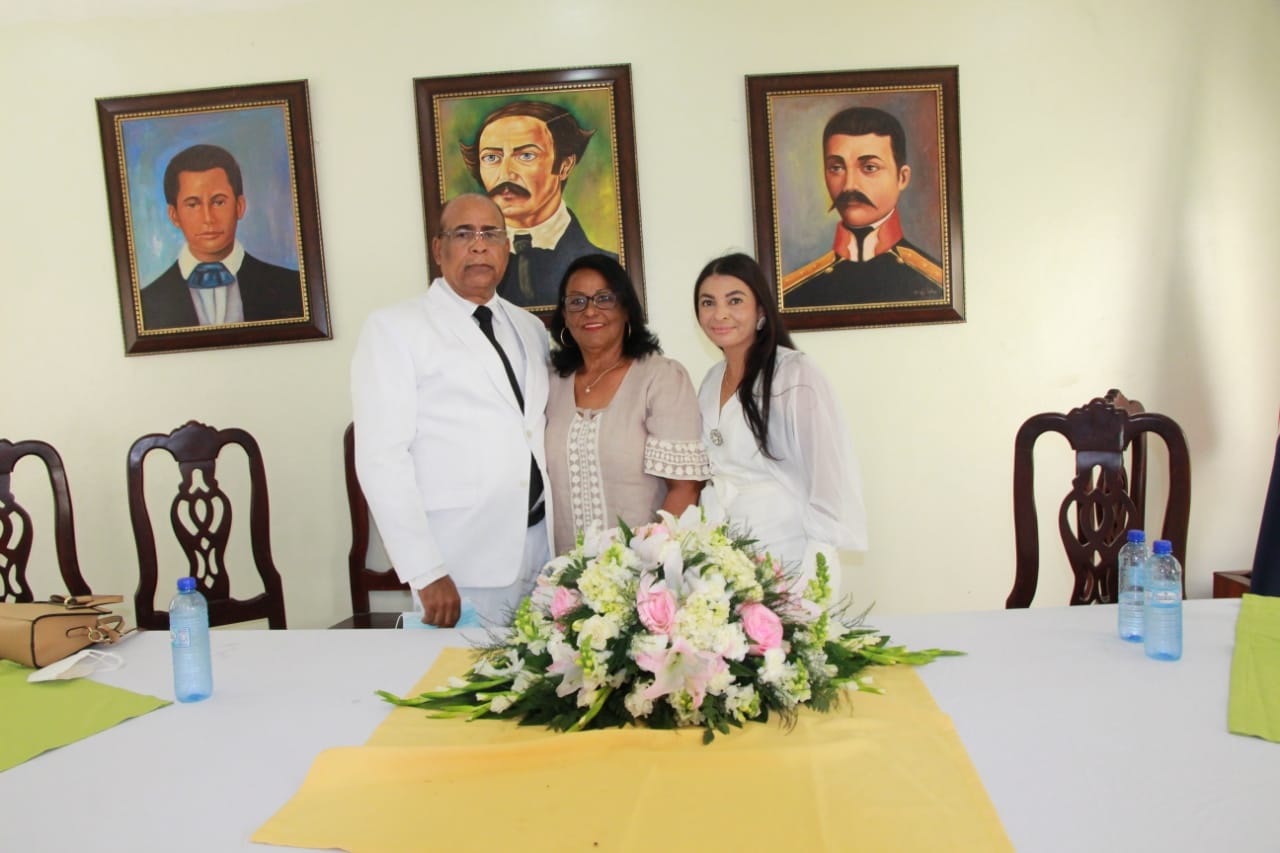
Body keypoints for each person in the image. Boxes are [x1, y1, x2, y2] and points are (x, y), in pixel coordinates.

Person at [351, 193, 552, 627]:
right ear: (438, 248)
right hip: (458, 561)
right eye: (463, 234)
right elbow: (382, 459)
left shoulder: (531, 328)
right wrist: (424, 570)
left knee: (544, 670)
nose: (479, 245)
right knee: (462, 672)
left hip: (541, 550)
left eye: (490, 234)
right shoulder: (395, 329)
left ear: (507, 247)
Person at [694, 252, 867, 595]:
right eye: (708, 302)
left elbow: (828, 475)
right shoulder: (711, 379)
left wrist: (816, 559)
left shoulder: (794, 373)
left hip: (789, 547)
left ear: (761, 310)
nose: (720, 314)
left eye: (735, 301)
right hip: (725, 550)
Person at [546, 254, 708, 555]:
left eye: (604, 298)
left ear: (626, 309)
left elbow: (685, 488)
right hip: (563, 571)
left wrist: (648, 566)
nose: (590, 311)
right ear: (565, 316)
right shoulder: (549, 382)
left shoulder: (661, 378)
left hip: (641, 569)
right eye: (577, 301)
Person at [782, 106, 945, 308]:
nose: (849, 185)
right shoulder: (793, 293)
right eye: (836, 168)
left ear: (902, 178)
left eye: (869, 167)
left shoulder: (938, 283)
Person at [459, 101, 617, 308]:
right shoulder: (461, 276)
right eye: (491, 157)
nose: (505, 174)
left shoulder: (611, 267)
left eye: (526, 156)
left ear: (565, 165)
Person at [140, 144, 303, 329]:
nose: (208, 218)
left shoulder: (293, 288)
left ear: (239, 206)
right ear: (174, 215)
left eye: (218, 202)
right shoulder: (146, 303)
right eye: (193, 205)